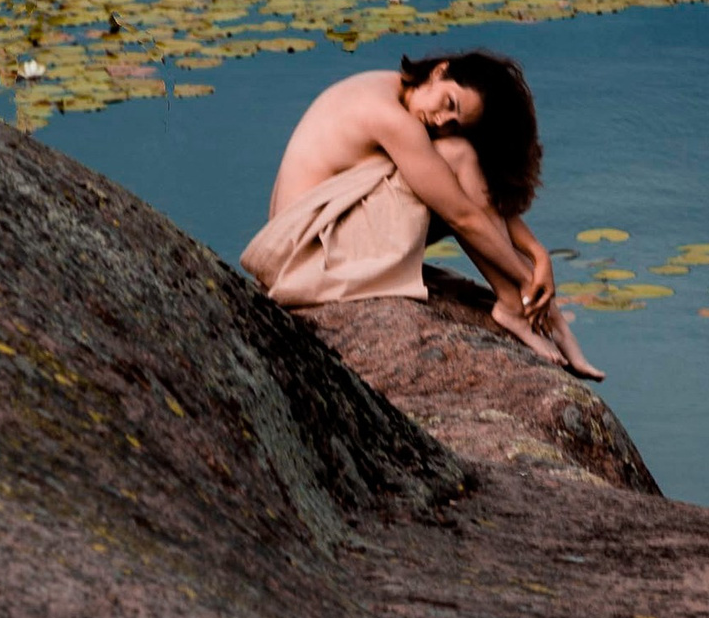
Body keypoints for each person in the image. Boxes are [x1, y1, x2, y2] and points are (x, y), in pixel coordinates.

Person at [241, 51, 603, 378]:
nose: (441, 120)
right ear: (440, 71)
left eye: (454, 121)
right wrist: (530, 283)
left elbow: (472, 200)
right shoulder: (390, 117)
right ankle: (520, 307)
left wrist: (538, 255)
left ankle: (518, 307)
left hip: (309, 236)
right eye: (449, 103)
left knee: (456, 157)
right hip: (305, 256)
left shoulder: (396, 89)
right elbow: (462, 215)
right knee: (458, 155)